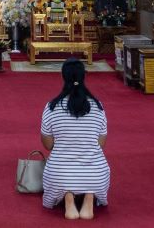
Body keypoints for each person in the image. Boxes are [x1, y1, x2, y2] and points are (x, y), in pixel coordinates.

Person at [40, 59, 109, 220]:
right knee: (93, 167)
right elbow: (101, 143)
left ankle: (68, 197)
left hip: (60, 173)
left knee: (60, 171)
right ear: (84, 76)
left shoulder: (52, 107)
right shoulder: (98, 106)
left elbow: (48, 145)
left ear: (62, 77)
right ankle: (89, 195)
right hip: (96, 173)